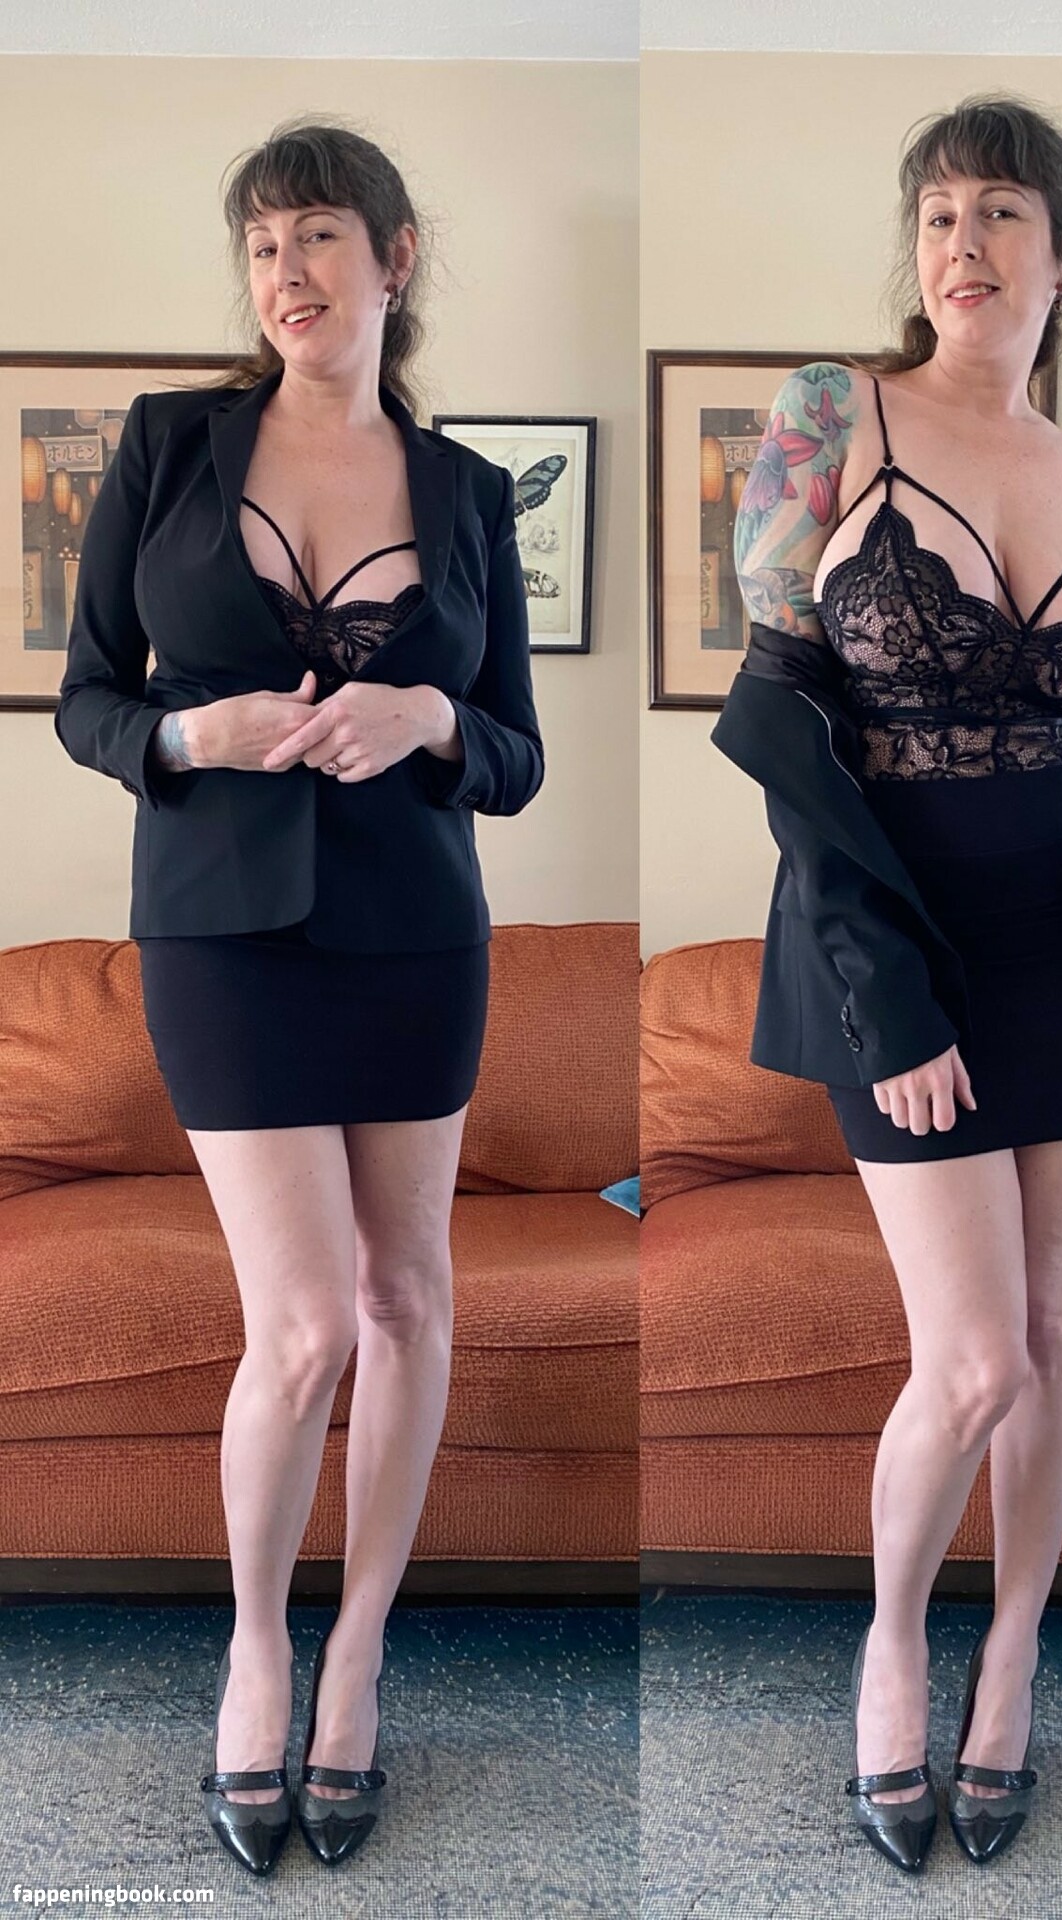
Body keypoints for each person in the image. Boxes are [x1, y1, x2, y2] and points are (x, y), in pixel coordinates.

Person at [712, 95, 1062, 1873]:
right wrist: (887, 988)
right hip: (893, 948)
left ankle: (1013, 1664)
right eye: (936, 214)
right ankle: (897, 1648)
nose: (962, 244)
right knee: (975, 1354)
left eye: (1000, 211)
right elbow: (780, 728)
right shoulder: (827, 418)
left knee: (1056, 1331)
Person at [55, 120, 542, 1876]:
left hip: (418, 936)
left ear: (393, 259)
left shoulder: (469, 492)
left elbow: (517, 756)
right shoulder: (169, 445)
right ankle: (258, 1648)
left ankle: (359, 1658)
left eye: (320, 235)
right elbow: (90, 698)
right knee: (308, 1325)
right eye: (263, 245)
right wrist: (197, 732)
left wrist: (431, 719)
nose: (288, 273)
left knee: (410, 1300)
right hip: (222, 938)